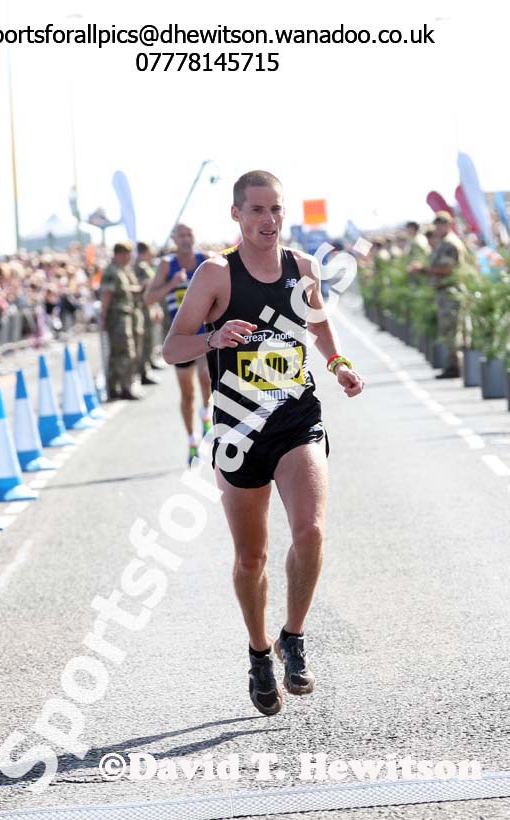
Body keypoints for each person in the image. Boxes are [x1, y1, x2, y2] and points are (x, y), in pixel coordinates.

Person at [163, 170, 365, 716]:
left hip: (296, 418)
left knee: (311, 529)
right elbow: (171, 348)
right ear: (236, 215)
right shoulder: (215, 275)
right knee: (251, 557)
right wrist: (213, 336)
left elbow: (318, 322)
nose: (268, 220)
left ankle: (293, 637)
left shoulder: (303, 268)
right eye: (256, 210)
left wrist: (338, 364)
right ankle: (258, 653)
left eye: (276, 209)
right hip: (238, 431)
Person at [145, 224, 213, 464]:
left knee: (207, 379)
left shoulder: (206, 260)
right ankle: (192, 440)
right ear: (174, 238)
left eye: (189, 234)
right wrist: (172, 283)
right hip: (181, 337)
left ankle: (206, 415)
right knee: (187, 393)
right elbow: (148, 298)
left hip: (205, 333)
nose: (186, 239)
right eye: (181, 235)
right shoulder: (167, 264)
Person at [410, 211, 465, 378]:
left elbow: (446, 269)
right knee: (447, 329)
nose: (440, 227)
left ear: (449, 224)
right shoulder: (444, 242)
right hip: (444, 291)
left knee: (451, 330)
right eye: (438, 224)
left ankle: (454, 366)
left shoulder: (450, 244)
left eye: (443, 223)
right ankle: (452, 365)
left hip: (450, 290)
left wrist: (423, 269)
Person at [100, 241, 141, 400]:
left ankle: (119, 387)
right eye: (126, 254)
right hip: (117, 317)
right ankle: (123, 387)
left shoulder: (122, 270)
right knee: (124, 352)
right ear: (119, 254)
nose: (129, 257)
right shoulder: (112, 271)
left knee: (121, 352)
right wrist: (103, 317)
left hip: (124, 315)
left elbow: (124, 290)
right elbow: (106, 295)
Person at [134, 242, 162, 385]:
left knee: (149, 340)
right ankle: (144, 372)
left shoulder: (143, 265)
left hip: (148, 307)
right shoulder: (139, 266)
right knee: (145, 342)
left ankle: (148, 365)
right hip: (143, 309)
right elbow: (145, 288)